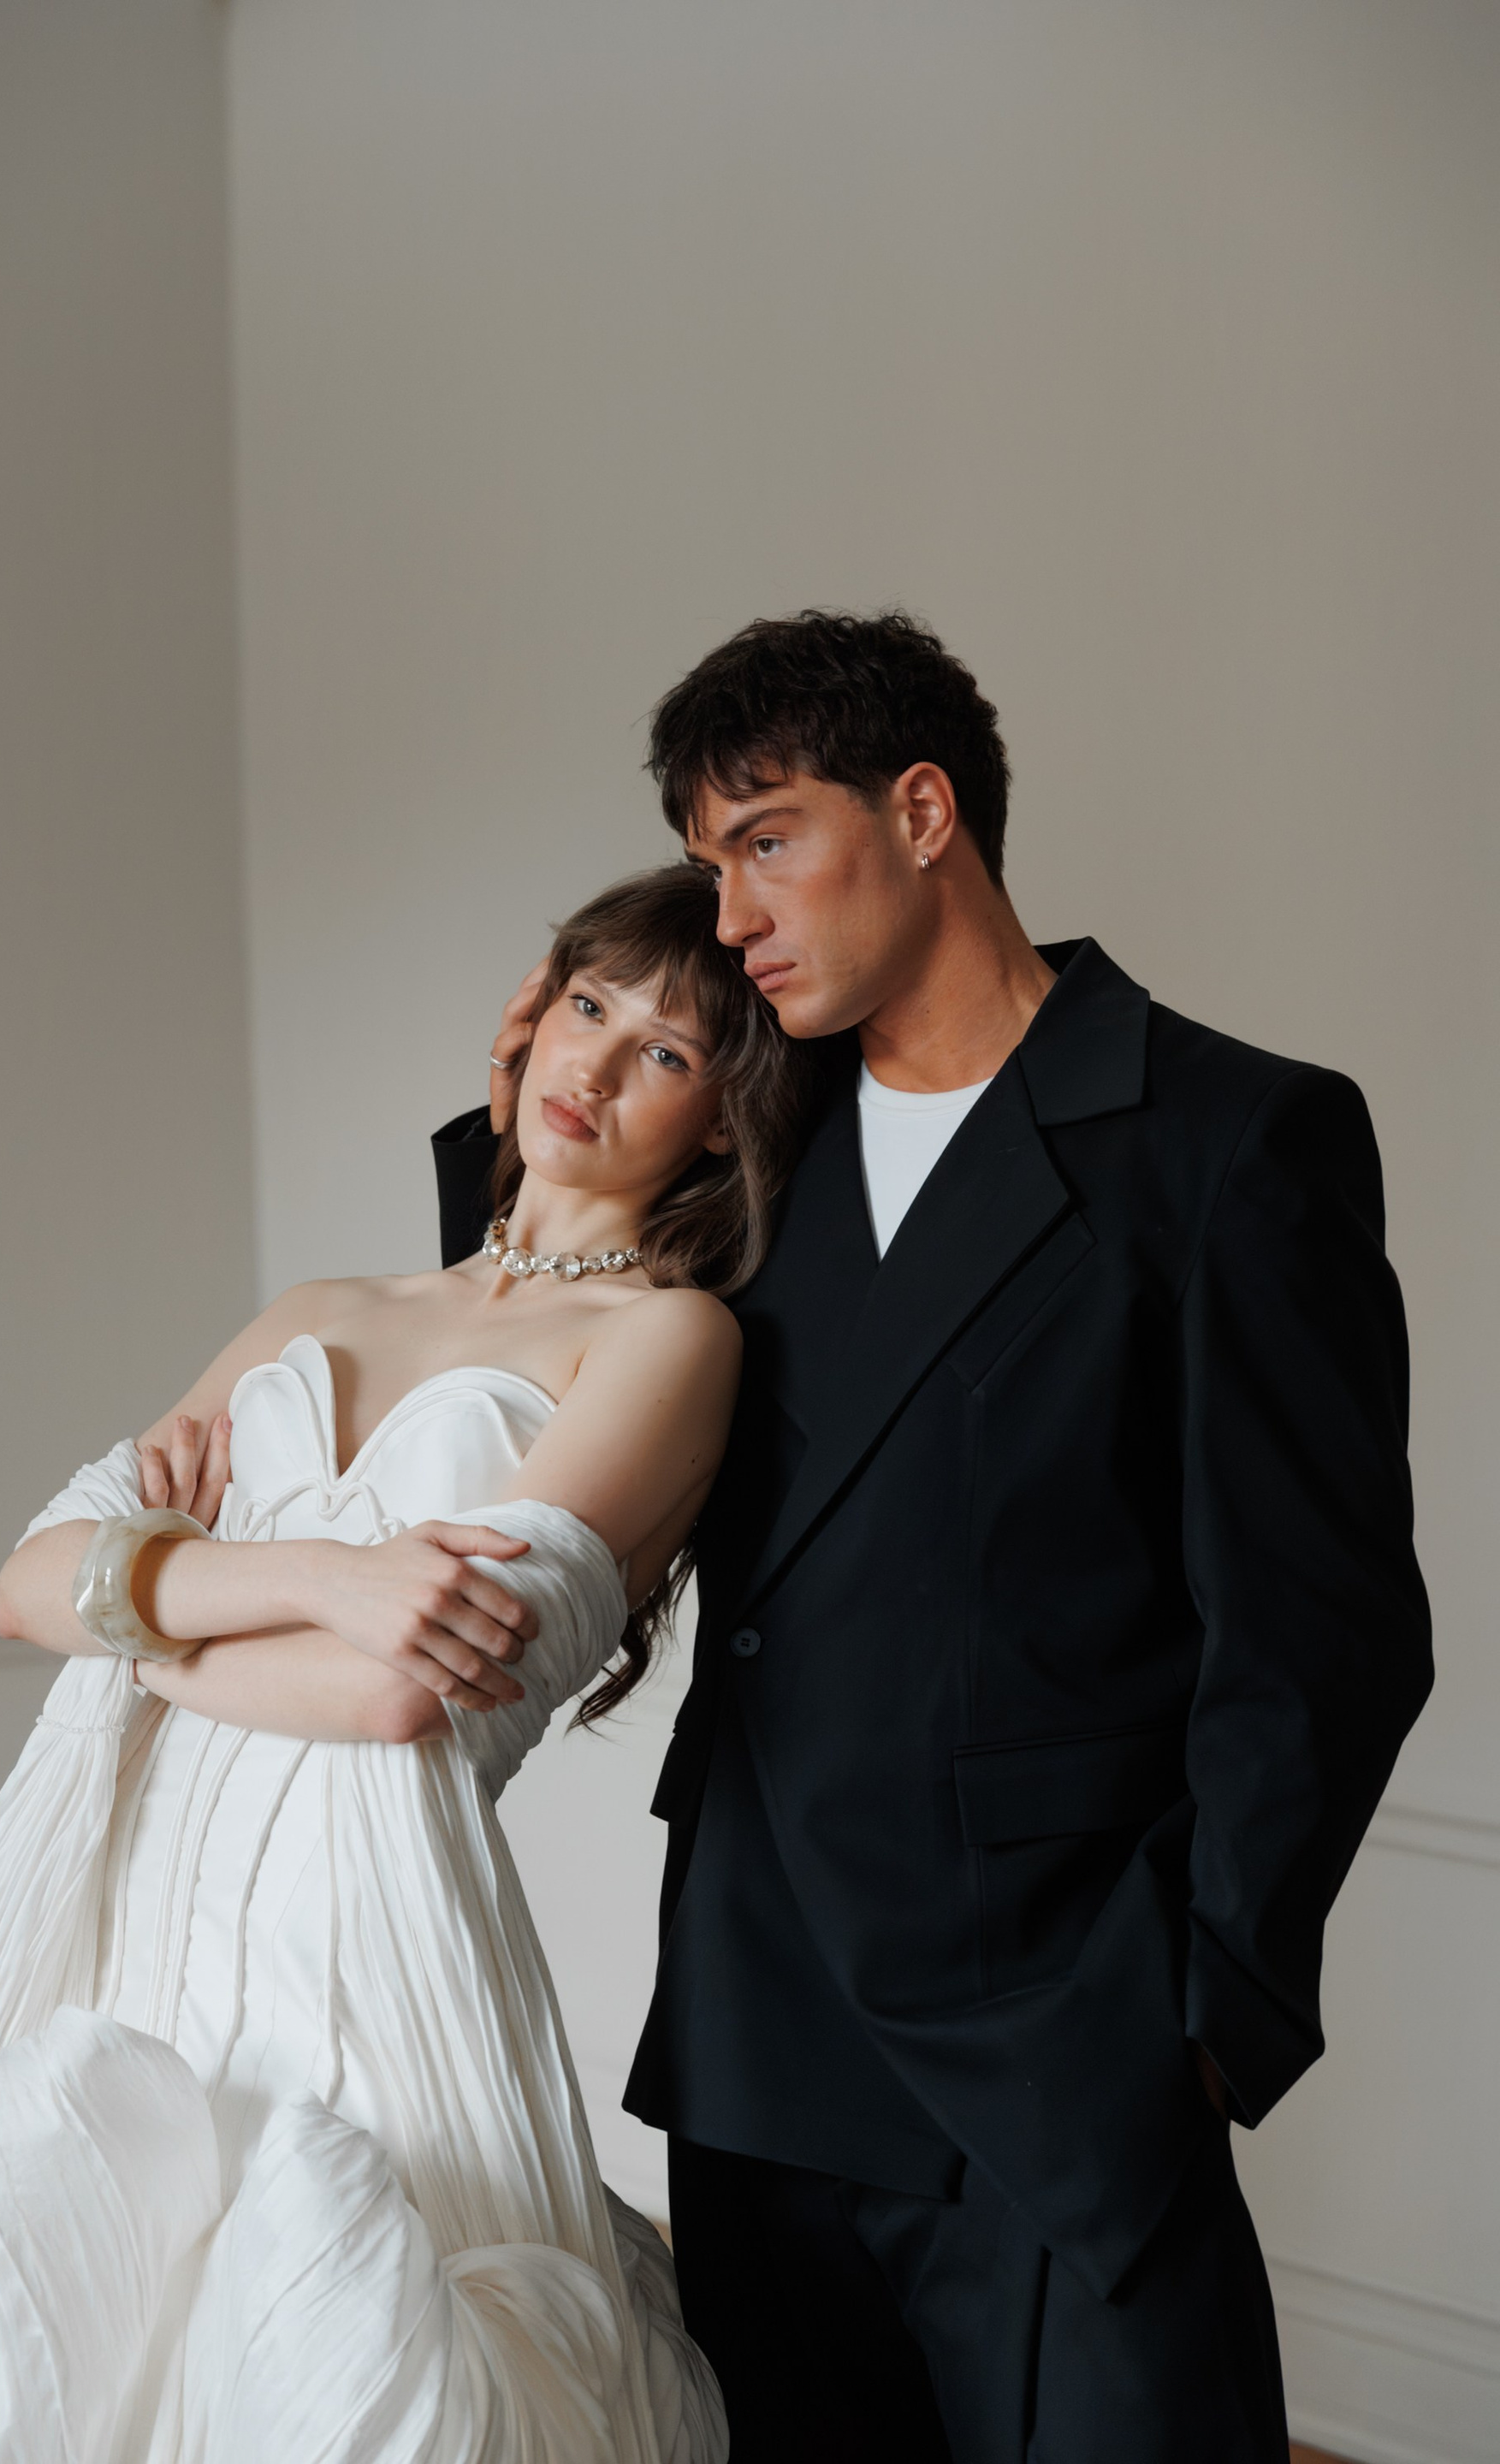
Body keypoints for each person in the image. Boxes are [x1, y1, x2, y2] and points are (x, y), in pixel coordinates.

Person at [432, 609, 1435, 2462]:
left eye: (766, 842)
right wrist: (507, 1125)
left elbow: (1325, 1631)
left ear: (920, 812)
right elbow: (560, 1370)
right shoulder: (752, 1134)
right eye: (706, 863)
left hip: (1060, 2054)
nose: (731, 916)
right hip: (759, 2022)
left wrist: (1206, 2017)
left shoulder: (1229, 1137)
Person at [0, 866, 819, 2464]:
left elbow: (397, 1698)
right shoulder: (323, 1307)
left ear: (723, 1120)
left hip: (358, 1924)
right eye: (587, 1005)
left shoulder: (669, 1340)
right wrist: (327, 1578)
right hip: (120, 1886)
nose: (591, 1066)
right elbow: (25, 1587)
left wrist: (146, 1611)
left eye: (663, 1051)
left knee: (315, 2357)